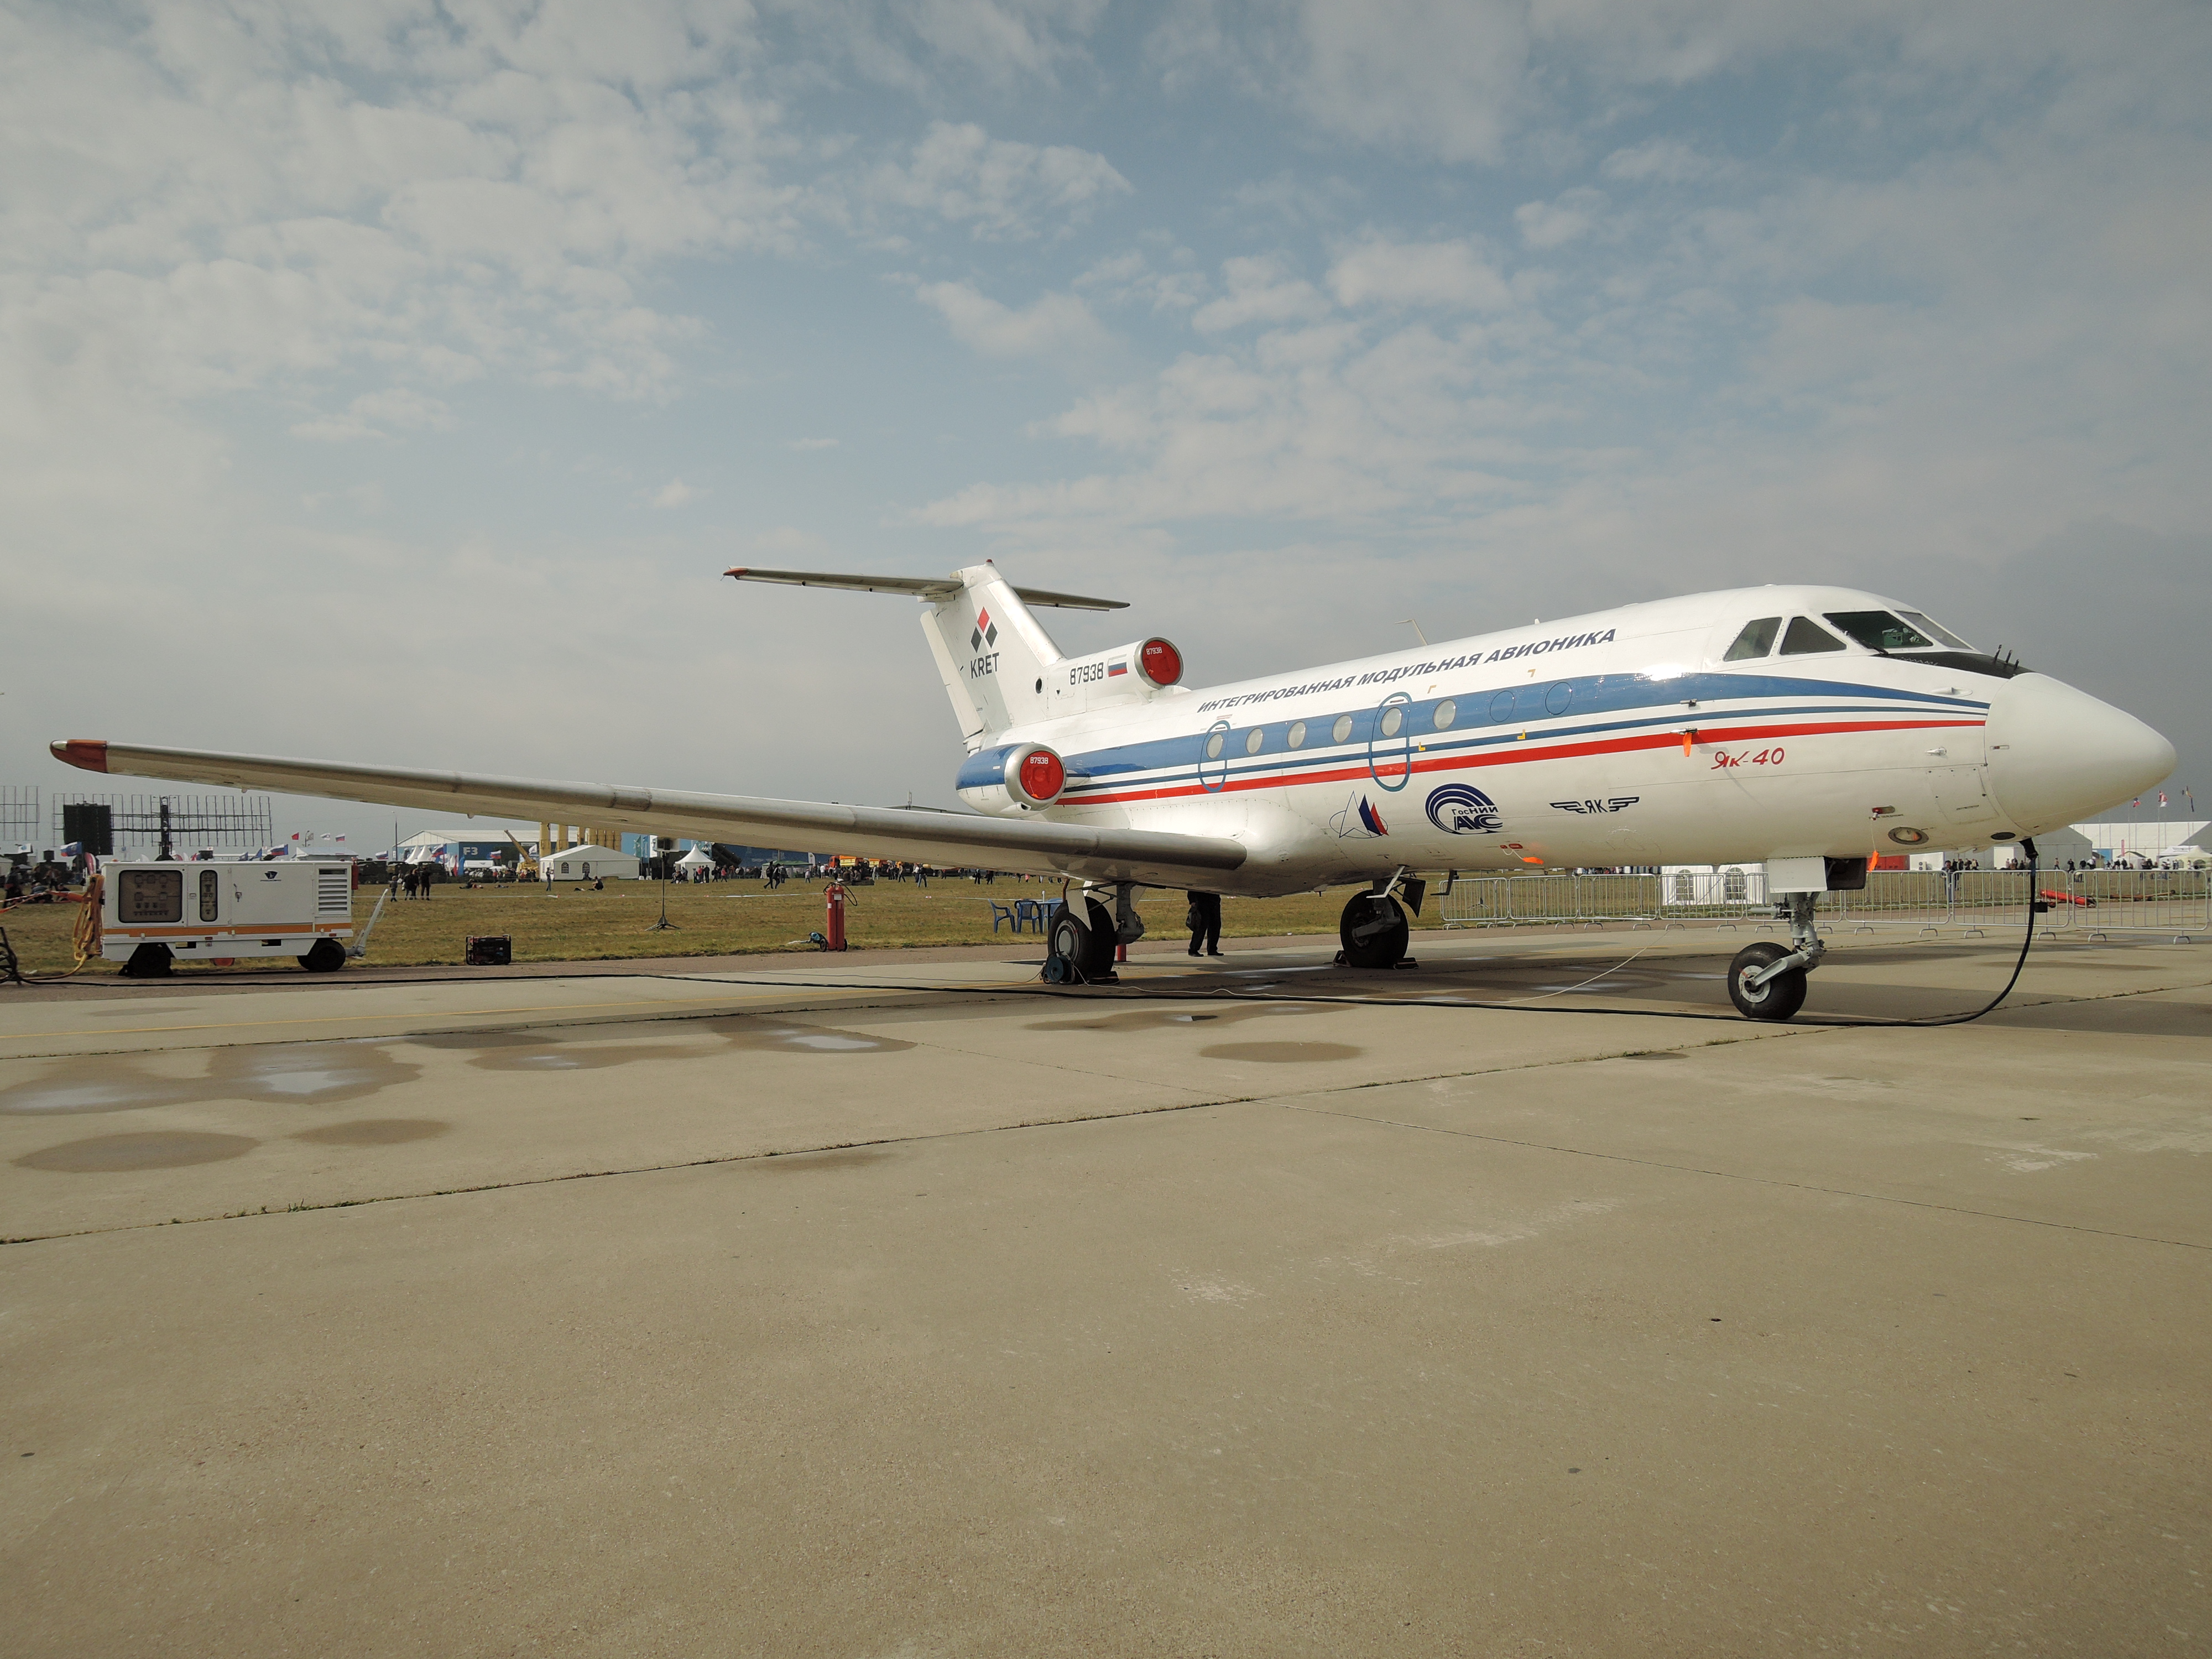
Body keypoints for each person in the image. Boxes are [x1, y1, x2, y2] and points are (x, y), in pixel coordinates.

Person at [1186, 890, 1222, 957]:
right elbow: (1193, 887)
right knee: (1201, 927)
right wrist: (1192, 900)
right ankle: (1193, 949)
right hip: (1201, 902)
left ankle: (1212, 949)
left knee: (1215, 926)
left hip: (1214, 901)